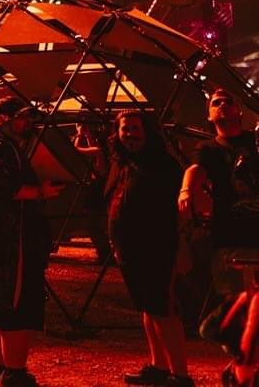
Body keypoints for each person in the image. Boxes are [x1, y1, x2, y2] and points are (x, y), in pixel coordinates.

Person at [0, 97, 60, 387]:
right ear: (4, 117)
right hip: (10, 237)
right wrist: (40, 192)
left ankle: (5, 369)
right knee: (17, 302)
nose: (29, 123)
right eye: (23, 117)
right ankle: (14, 373)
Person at [106, 110, 192, 387]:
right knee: (148, 309)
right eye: (125, 129)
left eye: (135, 129)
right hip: (129, 250)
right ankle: (158, 366)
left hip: (157, 248)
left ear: (147, 132)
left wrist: (181, 248)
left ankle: (180, 375)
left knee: (163, 311)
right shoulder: (125, 163)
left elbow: (178, 212)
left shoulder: (163, 165)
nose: (130, 134)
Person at [180, 89, 259, 293]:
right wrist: (186, 190)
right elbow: (195, 169)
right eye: (216, 103)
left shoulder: (255, 140)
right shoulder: (207, 147)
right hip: (229, 234)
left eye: (228, 101)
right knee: (233, 296)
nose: (222, 105)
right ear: (209, 116)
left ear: (239, 111)